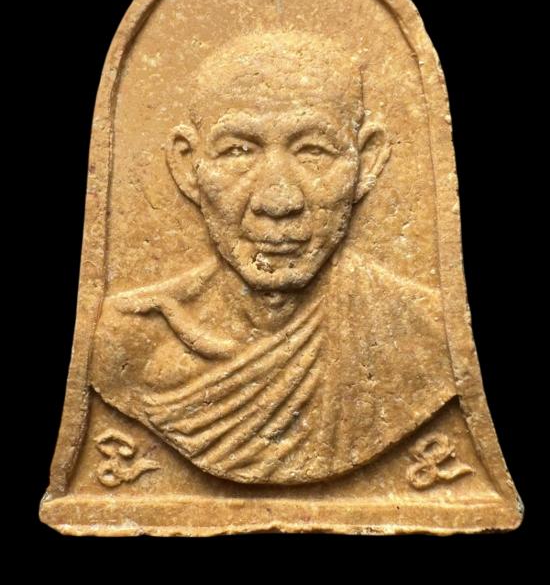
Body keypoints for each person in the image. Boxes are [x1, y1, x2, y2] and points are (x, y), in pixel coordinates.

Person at [90, 30, 456, 485]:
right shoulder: (128, 342)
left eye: (313, 151)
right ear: (187, 166)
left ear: (367, 160)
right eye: (238, 152)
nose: (278, 200)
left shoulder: (427, 339)